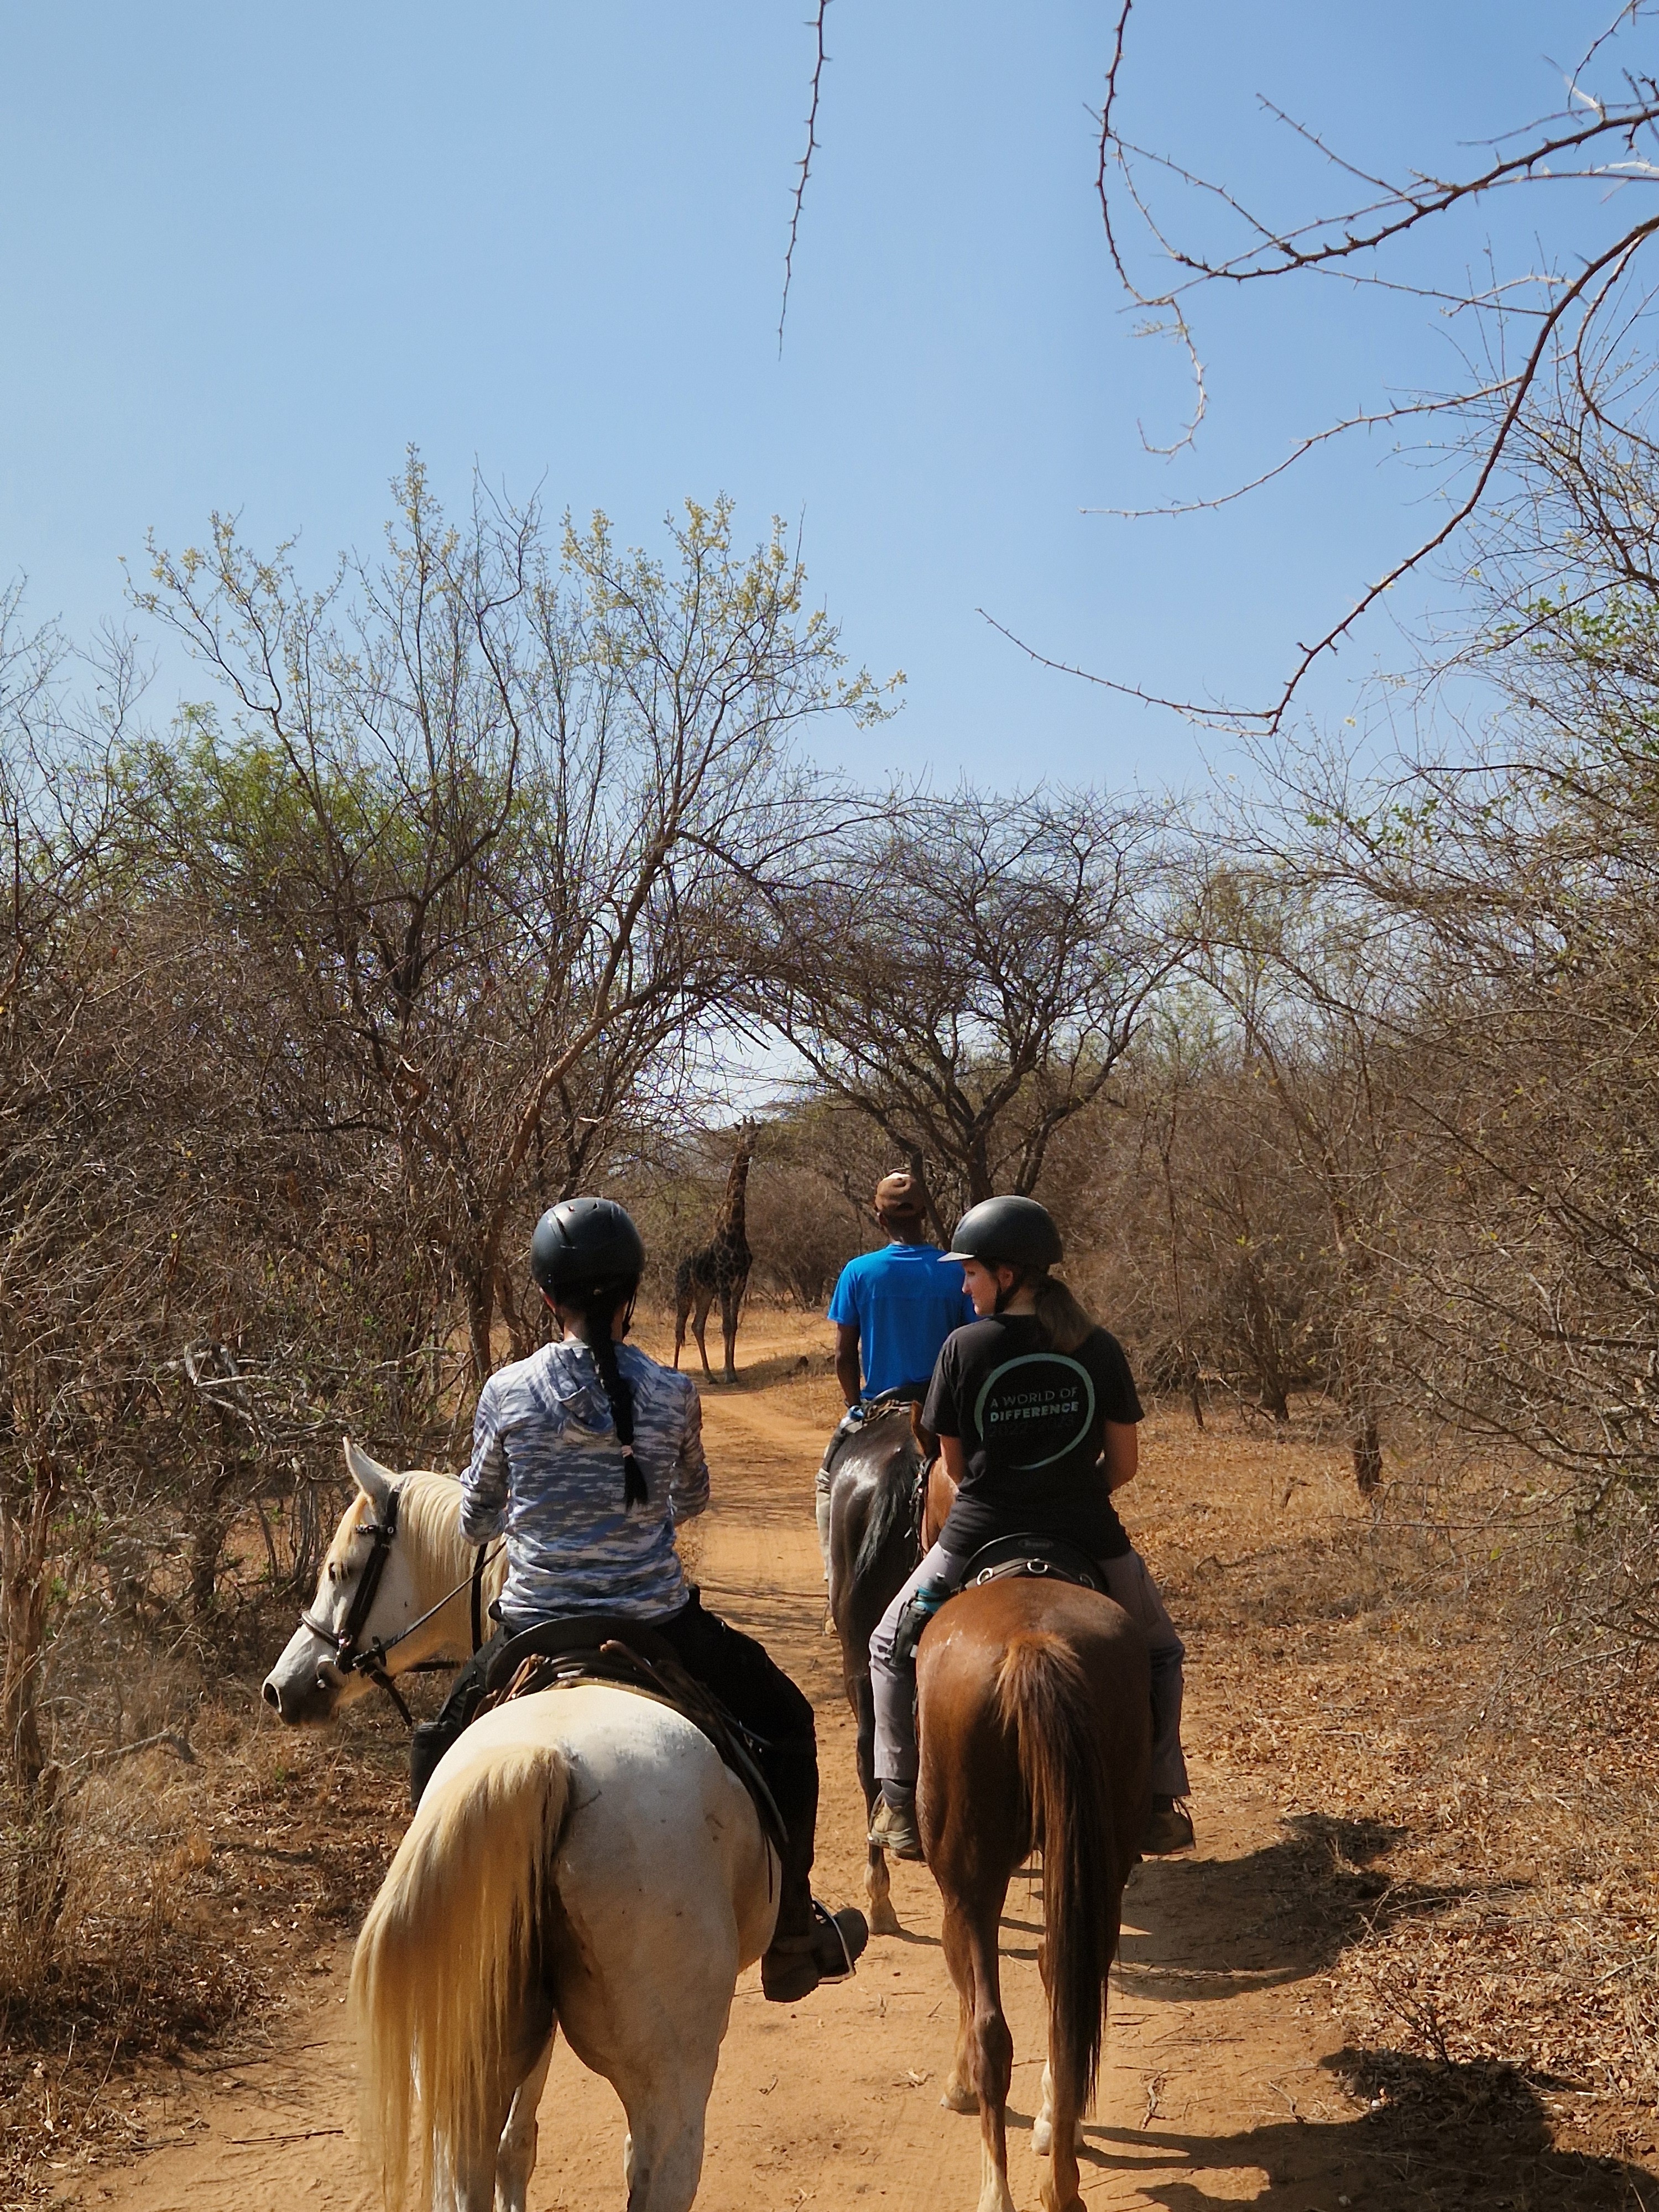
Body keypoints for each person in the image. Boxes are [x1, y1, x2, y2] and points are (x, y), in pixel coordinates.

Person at [410, 1195, 868, 2005]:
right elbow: (691, 1498)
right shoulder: (671, 1391)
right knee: (789, 1723)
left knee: (433, 1745)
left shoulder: (506, 1391)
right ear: (631, 1294)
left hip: (534, 1627)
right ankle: (793, 1933)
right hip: (657, 1624)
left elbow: (476, 1519)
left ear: (546, 1297)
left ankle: (426, 1934)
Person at [866, 1194, 1194, 1863]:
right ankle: (1160, 1800)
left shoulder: (963, 1348)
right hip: (1089, 1532)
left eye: (971, 1273)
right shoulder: (1097, 1346)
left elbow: (955, 1467)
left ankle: (898, 1798)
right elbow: (1124, 1465)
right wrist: (1069, 1493)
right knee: (1160, 1652)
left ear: (1007, 1275)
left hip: (976, 1534)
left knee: (886, 1646)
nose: (965, 1287)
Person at [815, 1171, 977, 1578]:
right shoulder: (956, 1272)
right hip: (943, 1408)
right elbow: (971, 1345)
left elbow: (843, 1354)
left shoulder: (859, 1272)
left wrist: (855, 1404)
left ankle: (835, 1578)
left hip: (881, 1403)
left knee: (827, 1482)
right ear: (924, 1215)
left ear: (881, 1219)